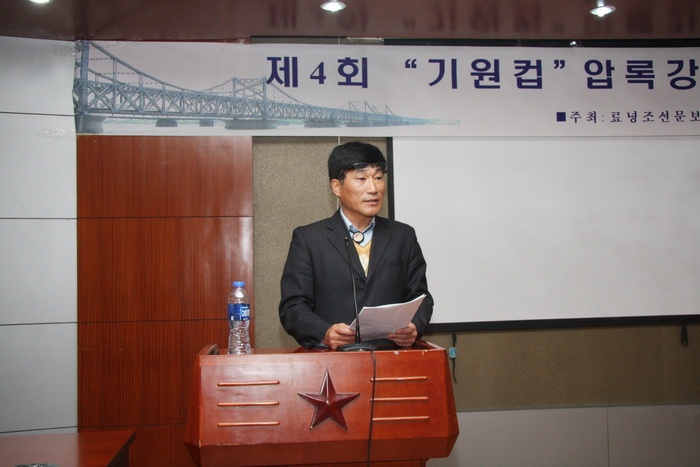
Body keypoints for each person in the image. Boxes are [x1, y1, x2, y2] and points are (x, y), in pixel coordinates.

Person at [278, 141, 433, 349]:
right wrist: (323, 332)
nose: (373, 188)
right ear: (336, 186)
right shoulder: (309, 239)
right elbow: (293, 306)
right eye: (361, 179)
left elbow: (421, 298)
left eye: (378, 178)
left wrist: (414, 327)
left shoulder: (403, 236)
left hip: (389, 356)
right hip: (334, 358)